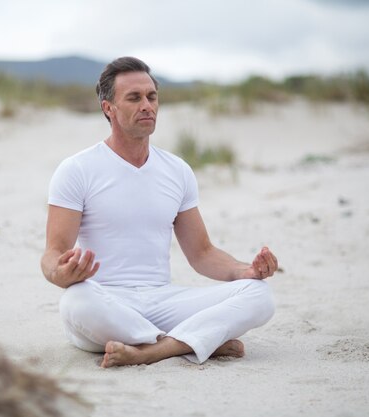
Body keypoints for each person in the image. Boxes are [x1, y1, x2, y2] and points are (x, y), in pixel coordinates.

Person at [40, 57, 278, 368]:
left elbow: (202, 253)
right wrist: (61, 274)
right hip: (107, 301)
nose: (147, 106)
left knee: (259, 295)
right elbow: (53, 252)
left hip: (164, 299)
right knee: (75, 302)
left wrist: (245, 271)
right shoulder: (77, 170)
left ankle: (154, 349)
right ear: (107, 107)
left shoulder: (177, 170)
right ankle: (194, 341)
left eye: (152, 97)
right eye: (134, 98)